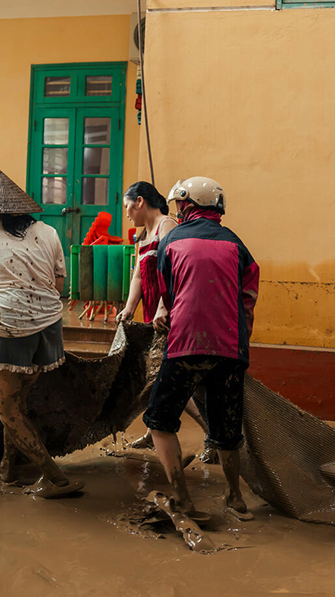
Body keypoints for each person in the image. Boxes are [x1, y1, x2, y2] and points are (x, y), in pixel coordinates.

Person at [0, 170, 83, 499]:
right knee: (18, 403)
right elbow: (58, 284)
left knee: (6, 410)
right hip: (50, 327)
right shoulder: (49, 232)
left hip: (9, 328)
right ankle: (8, 469)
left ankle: (55, 477)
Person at [143, 177, 259, 521]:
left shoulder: (172, 240)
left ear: (187, 205)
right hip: (231, 350)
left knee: (159, 421)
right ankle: (235, 497)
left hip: (185, 347)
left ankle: (182, 498)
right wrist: (239, 342)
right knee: (227, 430)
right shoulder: (238, 245)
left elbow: (166, 294)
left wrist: (165, 315)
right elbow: (248, 299)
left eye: (180, 204)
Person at [116, 182, 215, 463]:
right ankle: (153, 431)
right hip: (153, 315)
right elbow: (138, 275)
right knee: (155, 374)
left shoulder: (168, 225)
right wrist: (128, 309)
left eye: (127, 207)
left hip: (171, 313)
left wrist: (164, 306)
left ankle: (210, 433)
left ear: (139, 202)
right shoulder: (142, 234)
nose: (126, 215)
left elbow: (173, 269)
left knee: (169, 377)